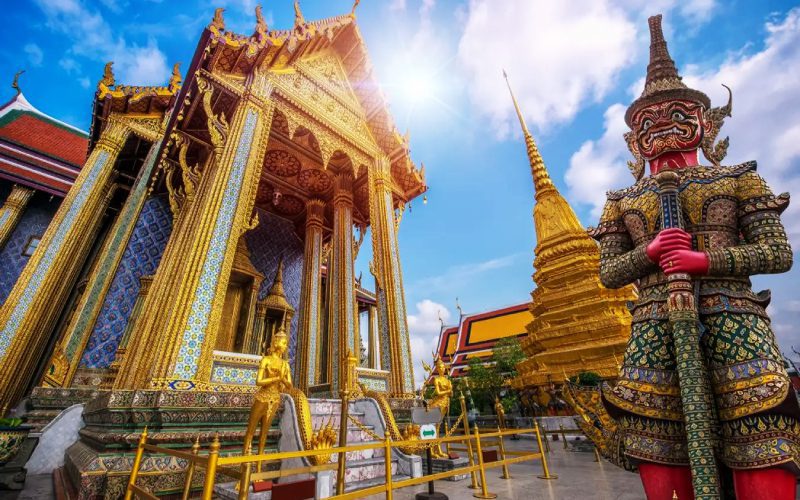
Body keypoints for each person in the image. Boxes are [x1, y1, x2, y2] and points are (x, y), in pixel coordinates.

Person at [592, 14, 798, 500]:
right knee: (659, 453)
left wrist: (705, 263)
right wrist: (652, 251)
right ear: (634, 139)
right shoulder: (621, 201)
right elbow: (608, 273)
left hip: (736, 326)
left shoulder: (739, 179)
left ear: (705, 123)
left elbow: (778, 253)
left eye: (678, 114)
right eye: (648, 120)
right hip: (654, 333)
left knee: (762, 446)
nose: (663, 125)